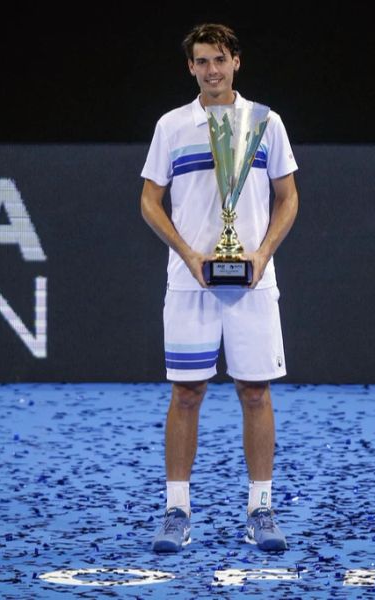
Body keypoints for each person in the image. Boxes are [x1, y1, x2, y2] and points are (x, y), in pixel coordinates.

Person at [139, 23, 299, 553]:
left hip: (252, 282)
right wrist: (189, 257)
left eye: (220, 60)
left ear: (237, 62)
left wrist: (260, 255)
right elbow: (149, 201)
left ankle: (261, 509)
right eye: (202, 61)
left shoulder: (265, 122)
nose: (212, 69)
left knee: (255, 391)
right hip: (189, 286)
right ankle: (176, 511)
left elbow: (288, 197)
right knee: (186, 393)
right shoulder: (171, 126)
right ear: (191, 67)